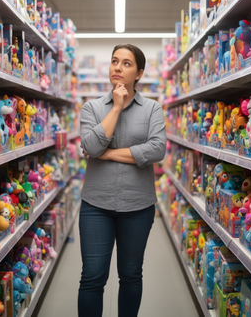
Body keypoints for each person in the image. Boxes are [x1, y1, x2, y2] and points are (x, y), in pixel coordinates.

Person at [76, 44, 166, 317]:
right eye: (115, 61)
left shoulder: (152, 109)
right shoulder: (92, 108)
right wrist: (116, 107)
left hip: (138, 205)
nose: (118, 67)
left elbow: (157, 149)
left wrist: (107, 154)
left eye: (126, 63)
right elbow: (92, 147)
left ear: (139, 73)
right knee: (92, 277)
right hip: (96, 205)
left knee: (130, 274)